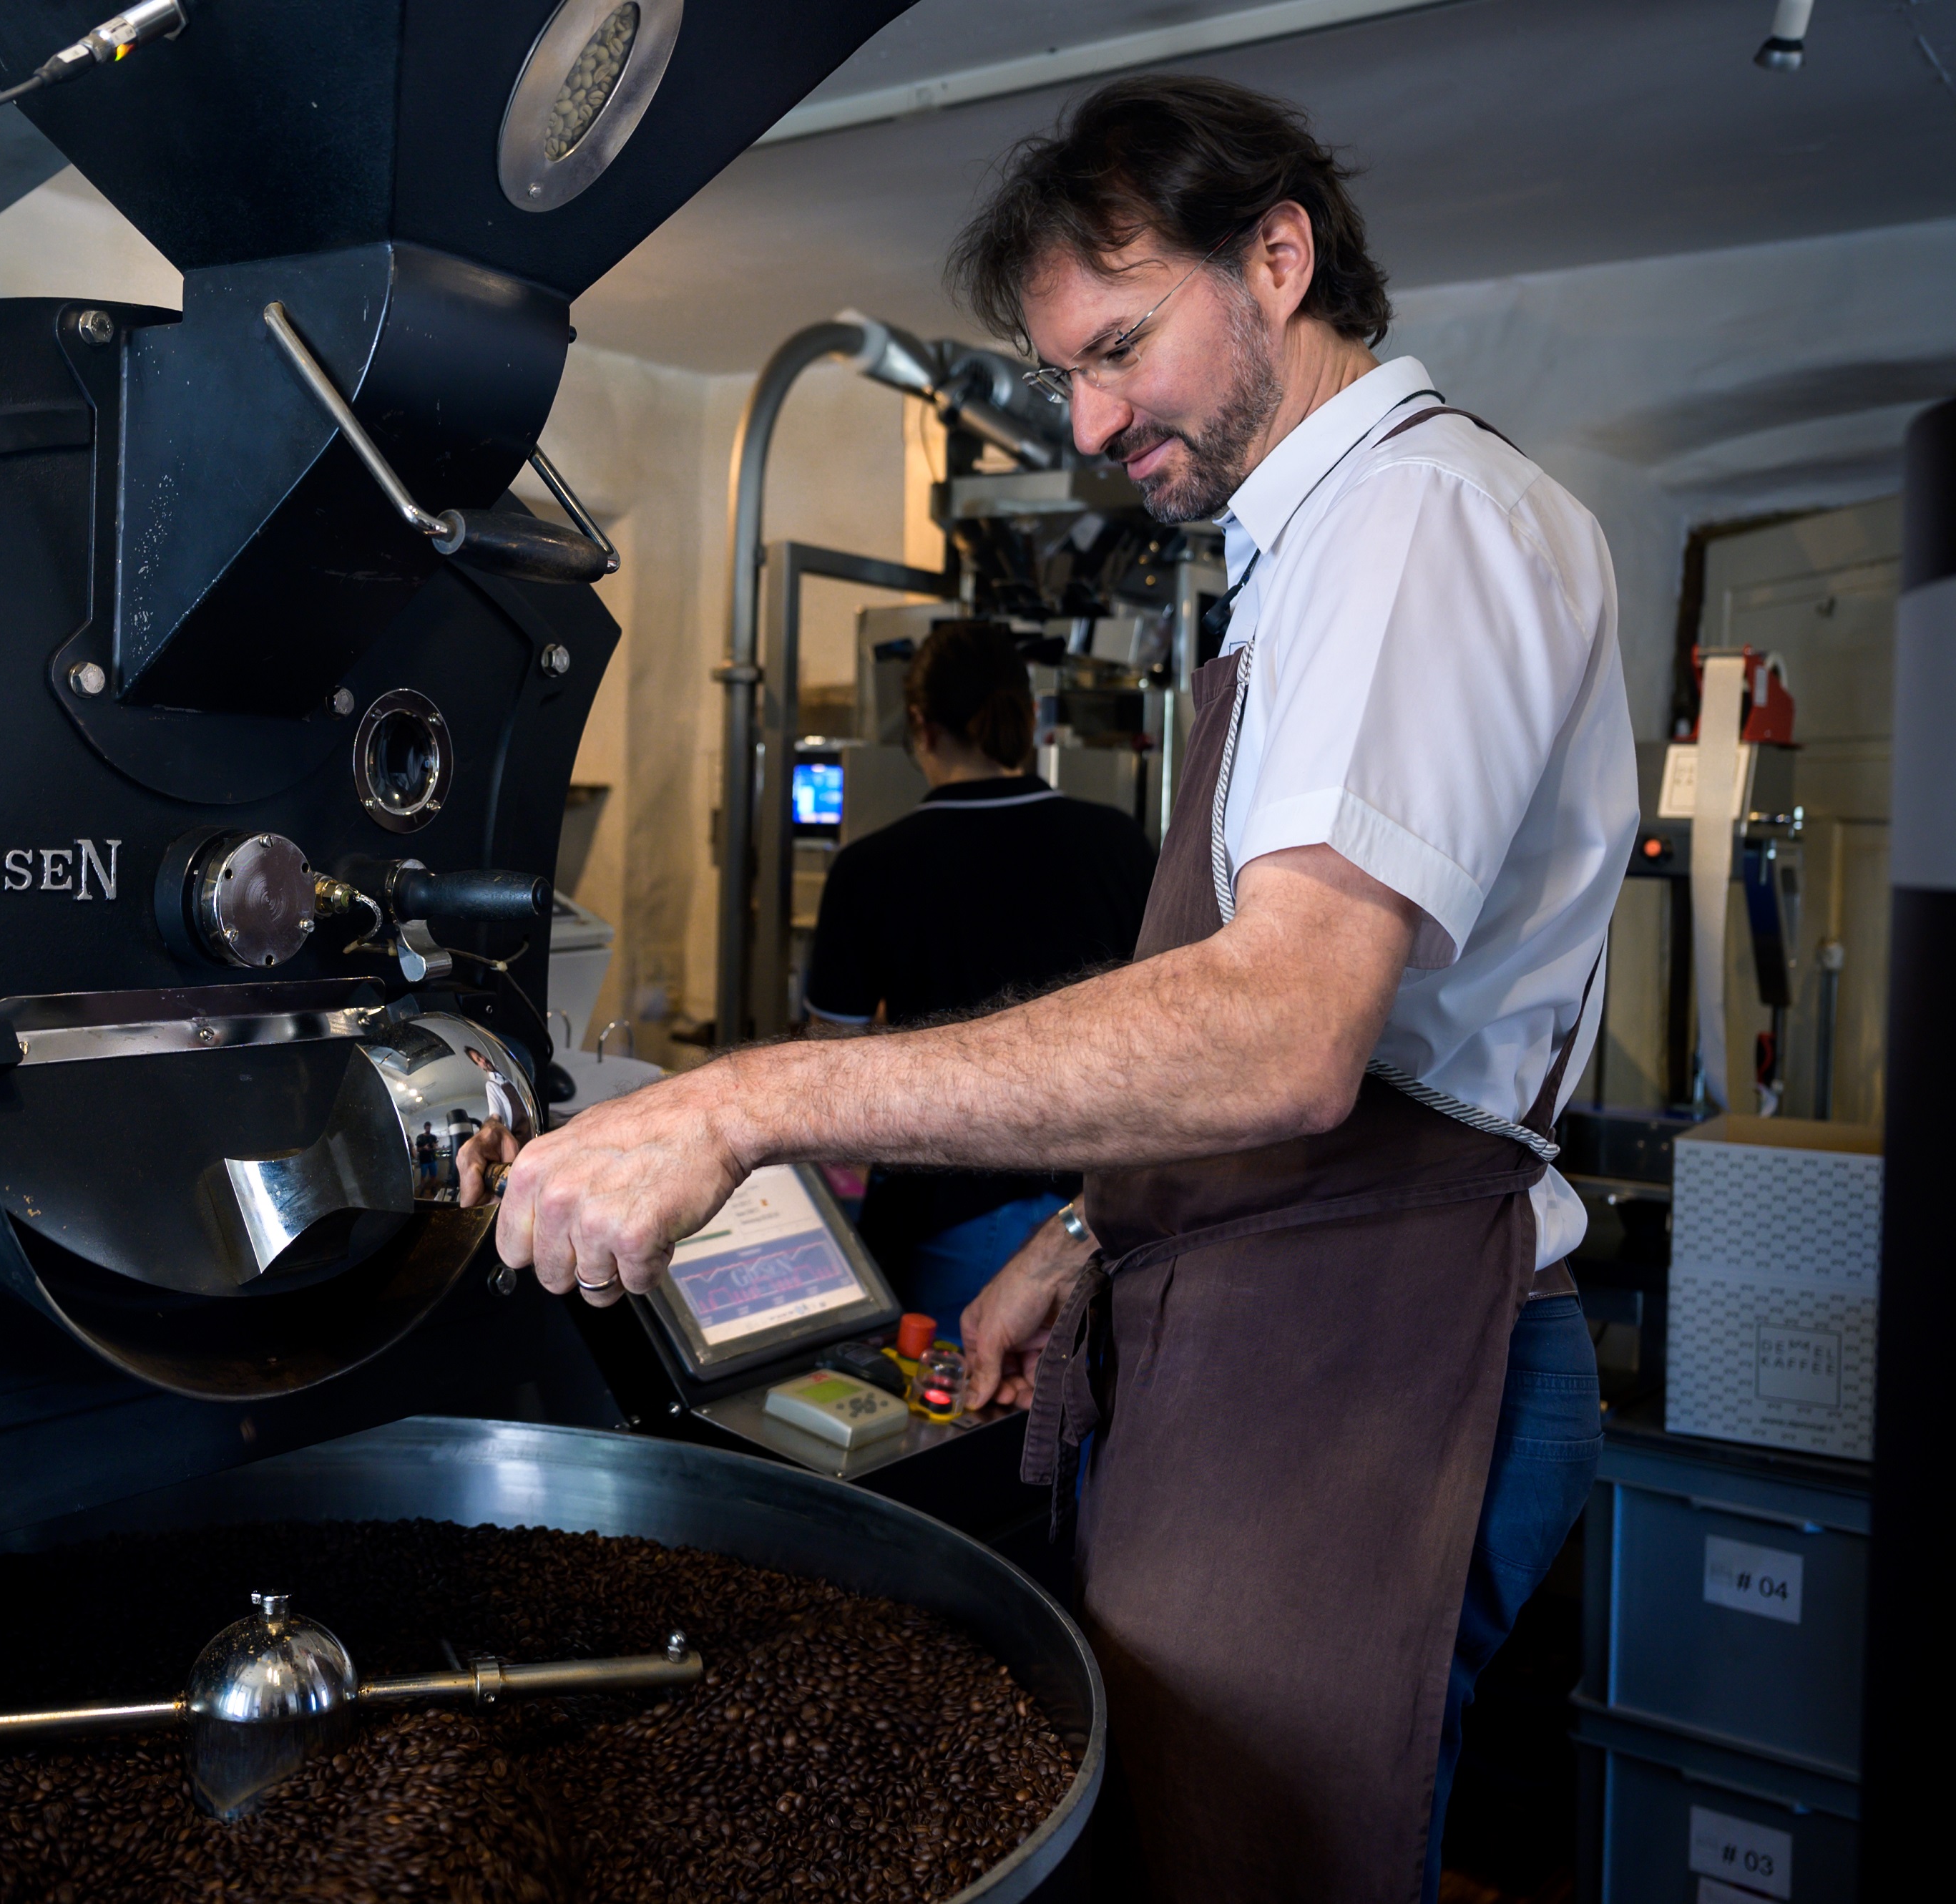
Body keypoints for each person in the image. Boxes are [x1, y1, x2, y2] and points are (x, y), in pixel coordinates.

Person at [462, 74, 1634, 1904]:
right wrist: (1082, 1235)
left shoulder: (1410, 519)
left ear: (1275, 257)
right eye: (1060, 373)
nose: (1088, 424)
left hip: (1370, 1354)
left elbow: (1286, 1029)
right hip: (1294, 1325)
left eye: (1118, 348)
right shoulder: (1315, 547)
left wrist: (734, 1101)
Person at [803, 620, 1154, 1327]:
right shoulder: (1117, 841)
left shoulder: (872, 867)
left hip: (947, 1219)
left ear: (919, 725)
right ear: (1029, 716)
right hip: (1104, 1213)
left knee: (960, 1394)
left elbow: (829, 1067)